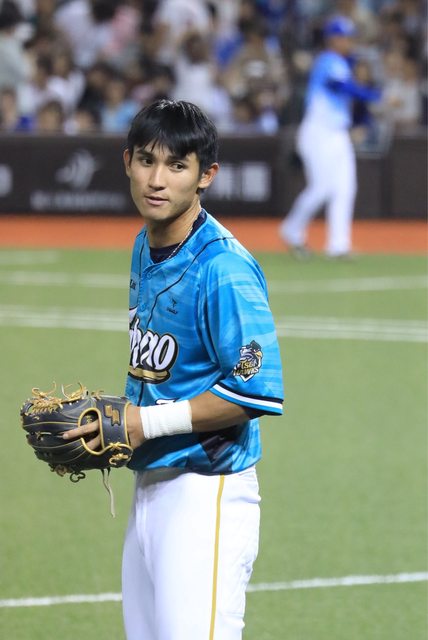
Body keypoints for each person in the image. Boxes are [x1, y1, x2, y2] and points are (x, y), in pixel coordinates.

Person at [63, 99, 284, 639]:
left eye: (177, 165)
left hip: (206, 494)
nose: (157, 180)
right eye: (146, 160)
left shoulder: (223, 267)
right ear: (127, 162)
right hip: (150, 485)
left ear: (206, 175)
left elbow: (256, 392)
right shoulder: (146, 244)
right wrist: (118, 423)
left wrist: (144, 423)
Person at [279, 15, 381, 258]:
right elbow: (340, 86)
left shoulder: (342, 62)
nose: (348, 42)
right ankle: (291, 230)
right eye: (344, 37)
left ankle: (338, 245)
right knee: (322, 188)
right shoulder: (328, 60)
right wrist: (373, 96)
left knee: (345, 187)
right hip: (318, 132)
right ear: (333, 39)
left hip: (338, 134)